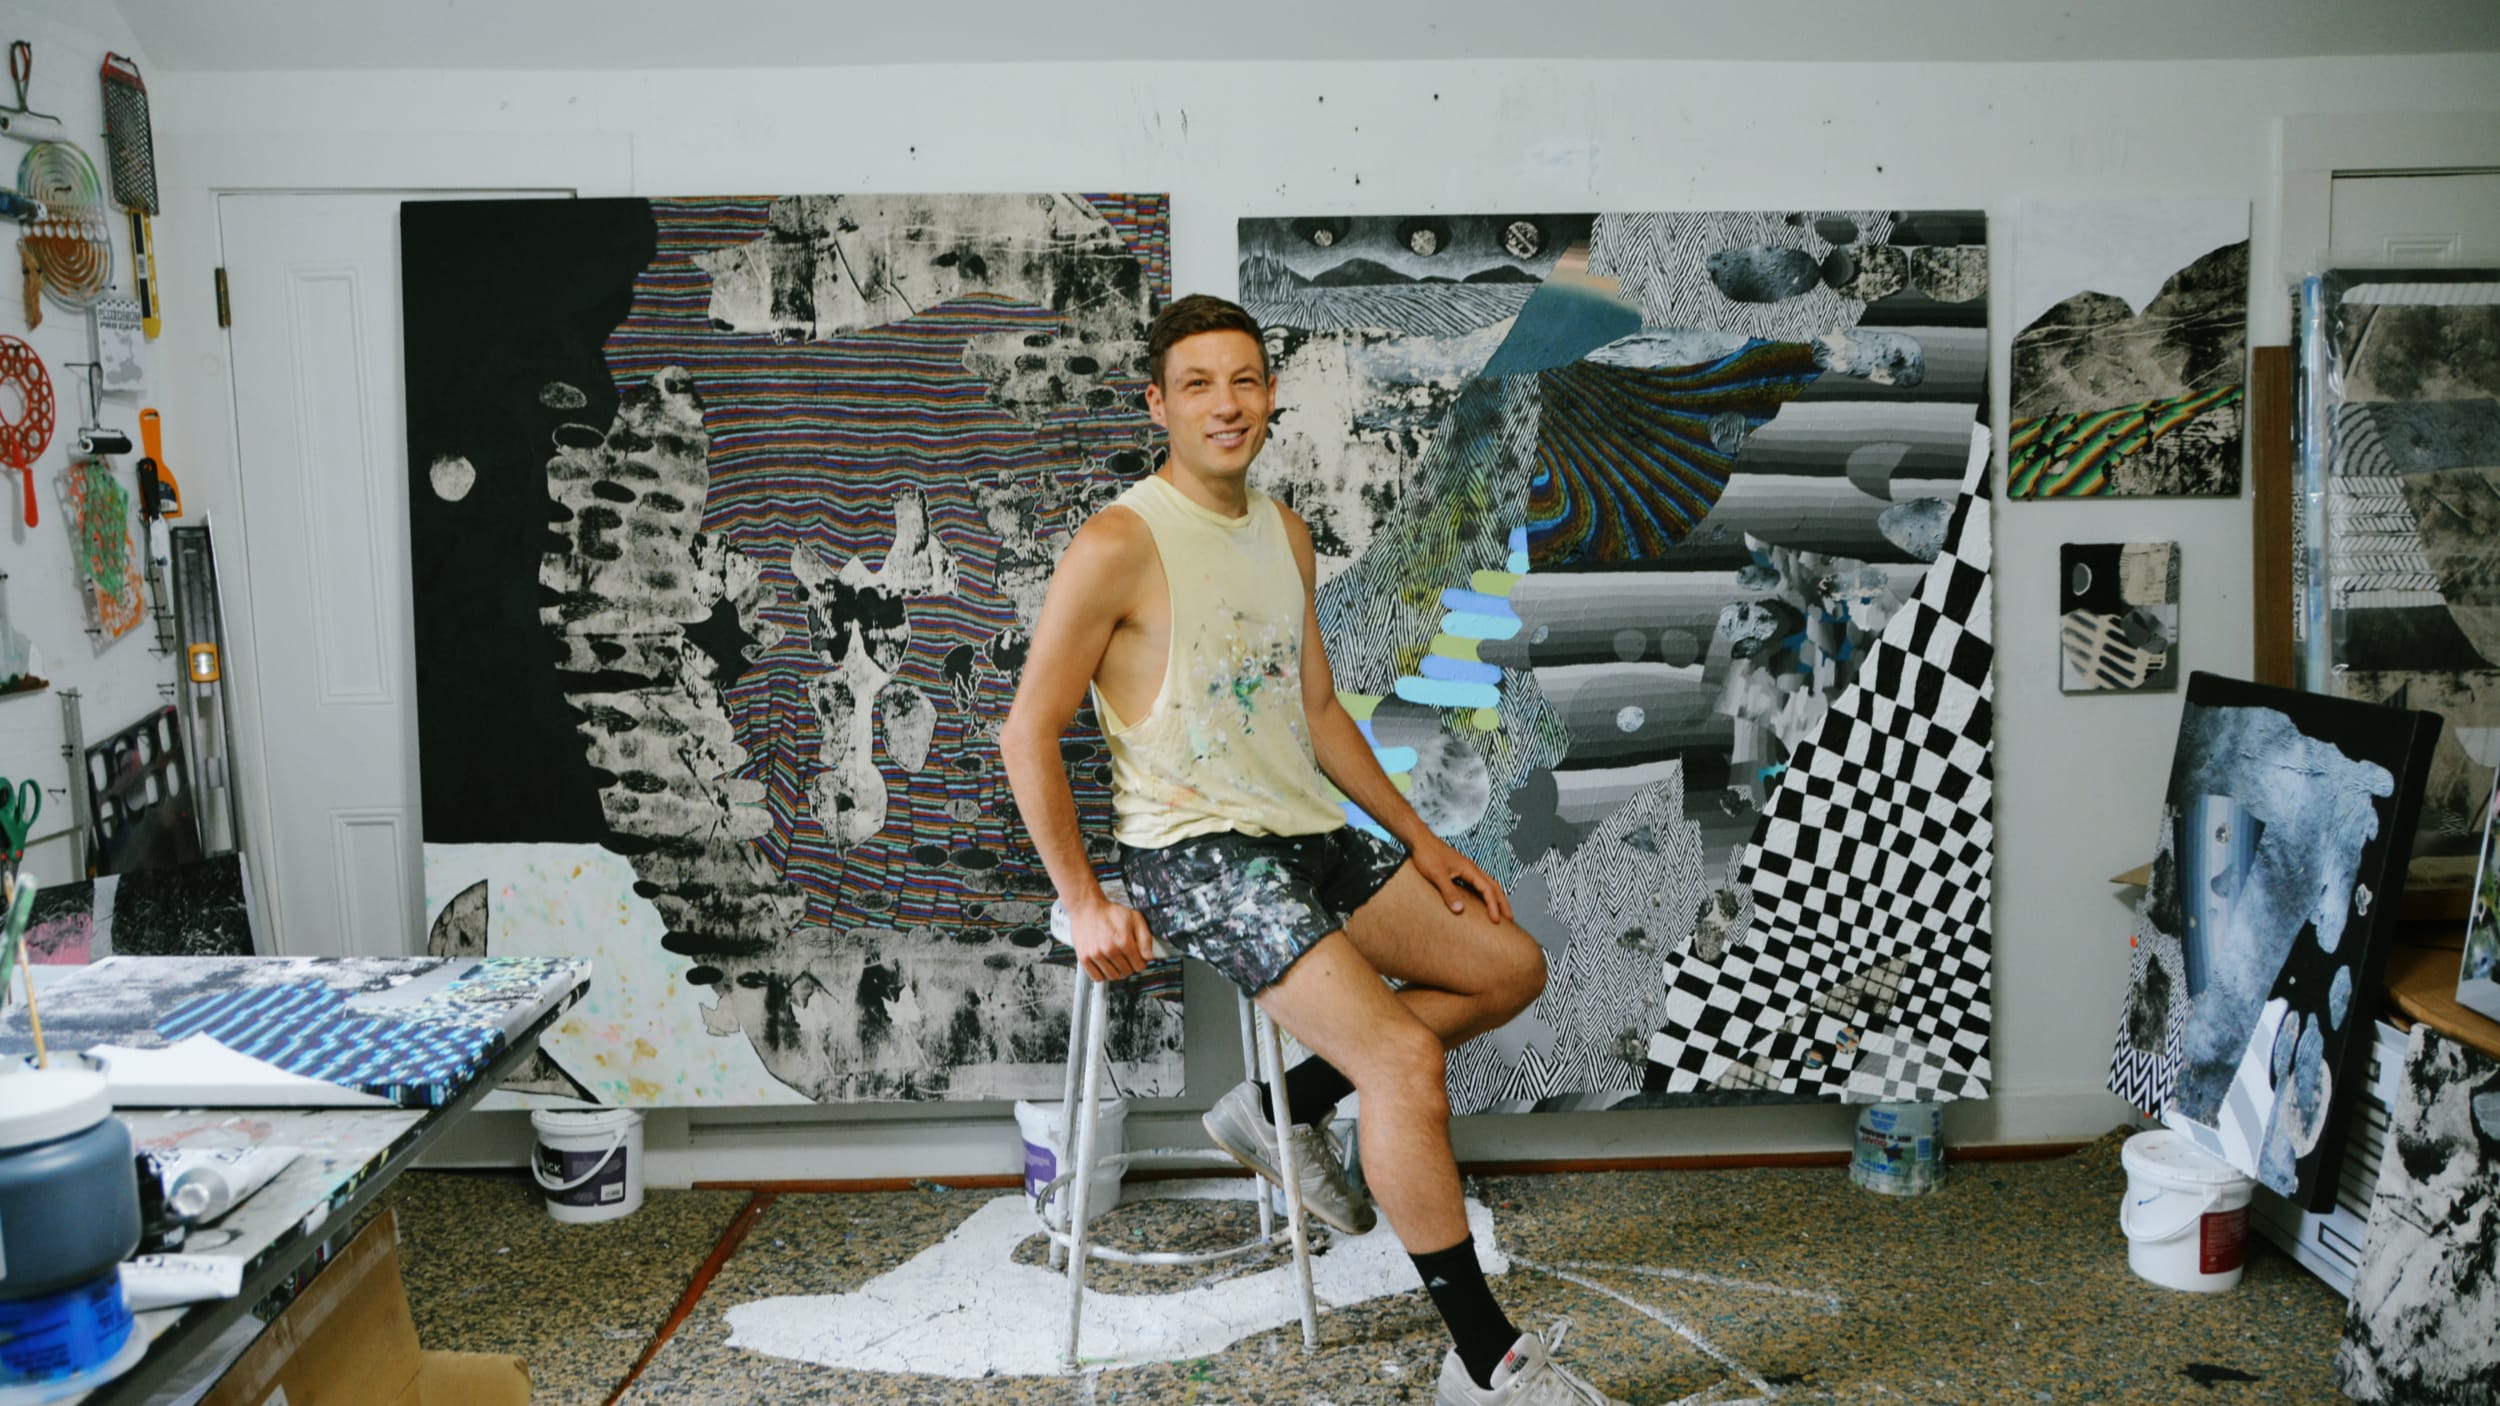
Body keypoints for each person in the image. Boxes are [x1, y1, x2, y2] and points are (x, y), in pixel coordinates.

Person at [1002, 294, 1627, 1406]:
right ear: (1159, 404)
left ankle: (1284, 1105)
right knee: (1401, 1058)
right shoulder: (1118, 542)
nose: (1225, 403)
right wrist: (1085, 897)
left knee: (1507, 966)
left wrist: (1424, 840)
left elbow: (1322, 709)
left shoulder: (1283, 530)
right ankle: (1485, 1359)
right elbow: (1027, 730)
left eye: (1243, 379)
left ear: (1270, 392)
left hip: (1306, 831)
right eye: (1197, 383)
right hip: (1197, 851)